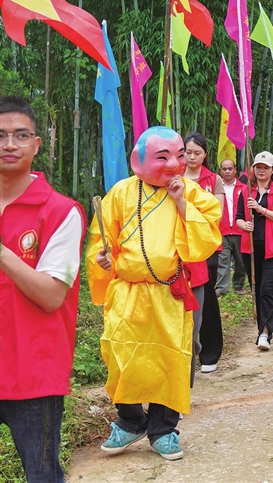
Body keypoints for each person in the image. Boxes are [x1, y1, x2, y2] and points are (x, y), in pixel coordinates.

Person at [87, 126, 221, 461]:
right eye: (163, 157)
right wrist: (103, 259)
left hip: (168, 293)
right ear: (138, 160)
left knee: (170, 359)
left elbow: (208, 236)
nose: (174, 163)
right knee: (119, 354)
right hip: (127, 292)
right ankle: (131, 420)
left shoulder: (189, 191)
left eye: (179, 155)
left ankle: (163, 429)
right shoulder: (120, 193)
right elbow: (100, 242)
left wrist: (180, 202)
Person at [0, 96, 86, 482]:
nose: (9, 144)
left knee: (42, 474)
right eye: (0, 135)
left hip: (33, 371)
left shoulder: (59, 211)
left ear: (37, 144)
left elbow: (52, 295)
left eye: (21, 135)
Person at [236, 152, 273, 350]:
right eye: (258, 167)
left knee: (267, 289)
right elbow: (238, 218)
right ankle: (265, 328)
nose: (261, 170)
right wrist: (244, 226)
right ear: (253, 169)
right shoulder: (245, 191)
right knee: (257, 290)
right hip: (250, 249)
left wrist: (260, 209)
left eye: (266, 167)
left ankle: (265, 333)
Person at [183, 132, 225, 374]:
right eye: (187, 152)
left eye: (197, 153)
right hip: (180, 246)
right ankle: (189, 348)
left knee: (206, 299)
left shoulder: (213, 180)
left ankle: (209, 352)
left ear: (205, 155)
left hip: (206, 247)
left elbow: (215, 213)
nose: (192, 157)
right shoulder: (174, 177)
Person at [215, 158, 248, 297]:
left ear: (235, 170)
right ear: (221, 171)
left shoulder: (244, 188)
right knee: (223, 260)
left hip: (239, 229)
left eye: (230, 169)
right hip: (222, 229)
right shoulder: (216, 187)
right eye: (224, 169)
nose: (227, 171)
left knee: (240, 260)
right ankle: (222, 287)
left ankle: (238, 284)